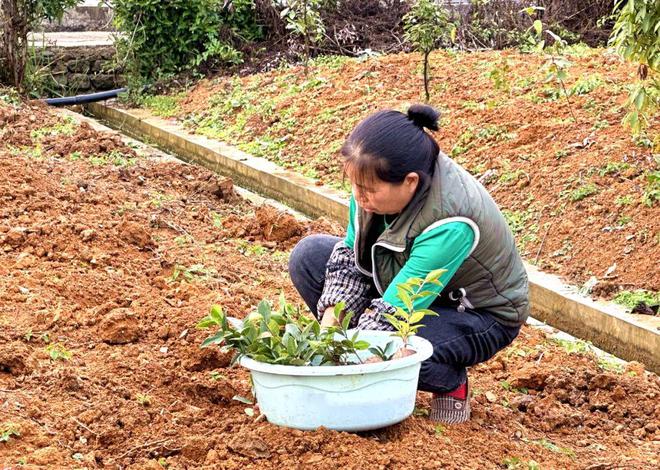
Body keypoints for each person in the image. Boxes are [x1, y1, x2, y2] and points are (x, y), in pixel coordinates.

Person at [288, 104, 529, 424]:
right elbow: (350, 260)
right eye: (354, 185)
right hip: (403, 276)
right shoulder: (369, 181)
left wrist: (349, 361)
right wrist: (331, 330)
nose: (358, 196)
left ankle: (450, 381)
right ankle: (367, 368)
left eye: (368, 189)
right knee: (310, 257)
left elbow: (398, 310)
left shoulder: (452, 220)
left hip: (477, 313)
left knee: (409, 349)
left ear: (411, 182)